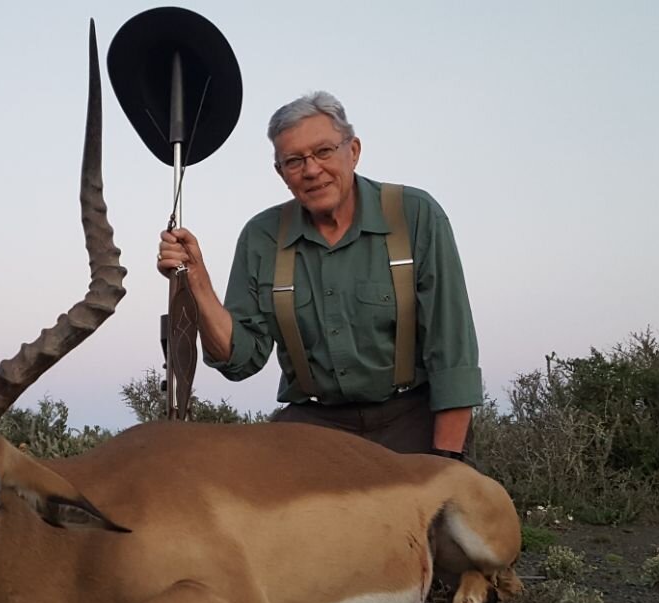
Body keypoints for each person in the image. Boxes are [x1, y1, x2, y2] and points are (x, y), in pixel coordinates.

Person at [156, 91, 480, 458]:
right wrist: (196, 281)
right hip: (315, 426)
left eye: (324, 152)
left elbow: (454, 359)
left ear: (353, 151)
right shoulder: (262, 237)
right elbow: (241, 360)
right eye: (294, 161)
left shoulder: (416, 215)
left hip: (411, 419)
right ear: (281, 173)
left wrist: (445, 464)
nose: (311, 170)